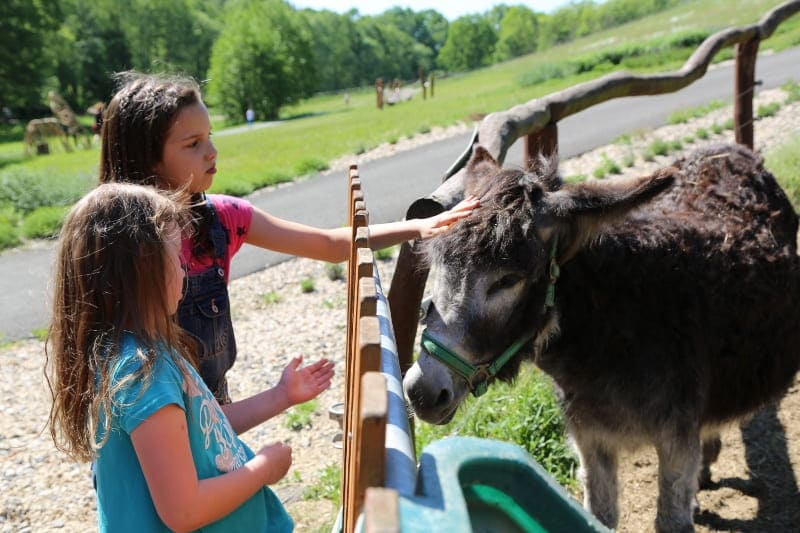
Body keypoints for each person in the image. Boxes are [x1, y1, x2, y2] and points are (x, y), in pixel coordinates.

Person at [98, 71, 478, 404]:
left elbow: (327, 245)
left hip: (214, 417)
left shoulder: (223, 220)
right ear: (146, 157)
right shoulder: (120, 243)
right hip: (148, 424)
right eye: (193, 144)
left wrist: (417, 228)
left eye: (210, 136)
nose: (212, 151)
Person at [46, 182, 334, 531]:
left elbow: (199, 429)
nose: (184, 271)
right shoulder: (140, 370)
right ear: (142, 271)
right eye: (176, 259)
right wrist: (262, 469)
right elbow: (184, 511)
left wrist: (281, 395)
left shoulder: (149, 352)